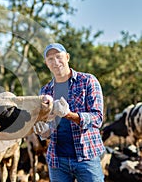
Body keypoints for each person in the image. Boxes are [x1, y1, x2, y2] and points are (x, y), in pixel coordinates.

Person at [33, 43, 105, 182]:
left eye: (59, 57)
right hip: (57, 161)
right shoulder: (45, 91)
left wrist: (69, 115)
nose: (56, 62)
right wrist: (45, 132)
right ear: (46, 64)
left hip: (86, 157)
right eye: (50, 59)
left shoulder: (88, 81)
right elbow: (47, 125)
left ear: (67, 57)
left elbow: (98, 118)